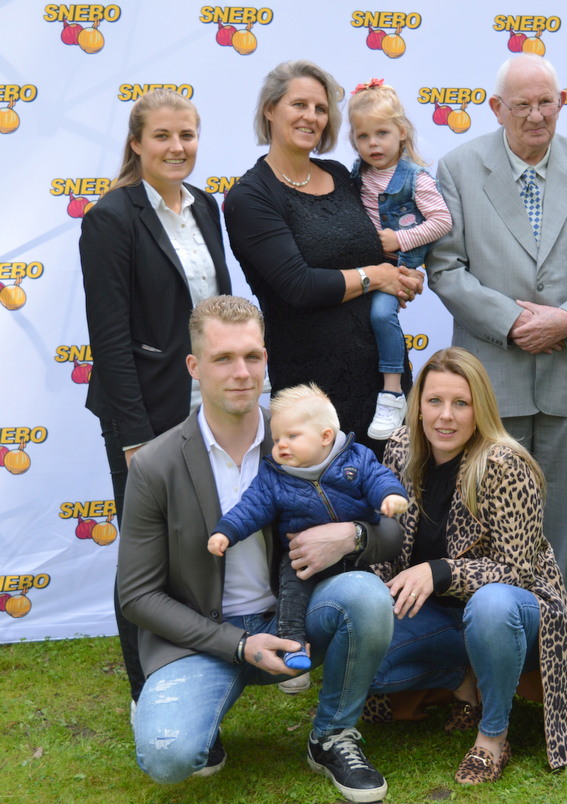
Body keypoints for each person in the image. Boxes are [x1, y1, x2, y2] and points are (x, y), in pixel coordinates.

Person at [118, 296, 399, 801]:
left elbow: (393, 533)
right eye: (223, 358)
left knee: (366, 595)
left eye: (252, 356)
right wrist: (238, 645)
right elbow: (136, 596)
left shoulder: (302, 436)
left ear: (266, 358)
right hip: (201, 638)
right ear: (194, 366)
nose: (242, 372)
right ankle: (197, 719)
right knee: (168, 756)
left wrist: (352, 536)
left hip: (295, 617)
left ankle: (332, 735)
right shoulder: (155, 465)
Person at [426, 54, 567, 628]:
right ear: (496, 108)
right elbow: (446, 268)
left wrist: (566, 320)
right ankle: (497, 645)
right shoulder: (458, 168)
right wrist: (514, 323)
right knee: (490, 530)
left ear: (561, 104)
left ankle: (560, 650)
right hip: (492, 385)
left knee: (563, 526)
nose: (536, 115)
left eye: (547, 103)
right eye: (522, 105)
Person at [367, 347, 567, 784]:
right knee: (362, 651)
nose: (445, 416)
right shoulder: (400, 448)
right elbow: (388, 544)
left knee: (490, 605)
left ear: (481, 409)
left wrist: (440, 571)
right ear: (418, 407)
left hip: (517, 612)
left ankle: (493, 736)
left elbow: (516, 572)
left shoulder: (506, 464)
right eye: (434, 401)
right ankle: (463, 679)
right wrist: (373, 602)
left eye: (461, 403)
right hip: (436, 613)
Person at [79, 88, 232, 706]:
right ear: (137, 143)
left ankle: (201, 678)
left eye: (186, 135)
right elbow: (109, 340)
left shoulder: (206, 205)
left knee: (200, 549)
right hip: (144, 412)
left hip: (208, 408)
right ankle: (148, 693)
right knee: (147, 561)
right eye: (163, 136)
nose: (176, 147)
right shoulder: (111, 218)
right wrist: (135, 437)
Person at [224, 60, 424, 451]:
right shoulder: (251, 197)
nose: (311, 117)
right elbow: (299, 286)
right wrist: (376, 277)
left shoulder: (341, 175)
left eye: (320, 108)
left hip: (385, 387)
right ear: (270, 109)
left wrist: (402, 276)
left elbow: (380, 244)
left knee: (395, 489)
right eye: (299, 104)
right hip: (312, 399)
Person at [208, 382, 408, 670]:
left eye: (292, 436)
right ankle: (293, 643)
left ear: (325, 436)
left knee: (370, 598)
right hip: (300, 558)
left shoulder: (356, 459)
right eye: (277, 439)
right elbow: (251, 507)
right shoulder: (274, 475)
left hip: (351, 555)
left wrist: (390, 496)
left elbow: (378, 479)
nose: (281, 445)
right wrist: (226, 531)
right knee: (292, 595)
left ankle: (370, 649)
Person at [347, 78, 453, 439]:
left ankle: (392, 393)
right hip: (363, 265)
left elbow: (441, 221)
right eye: (363, 136)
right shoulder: (356, 176)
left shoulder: (416, 180)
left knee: (381, 314)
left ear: (402, 132)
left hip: (398, 266)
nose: (373, 144)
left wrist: (399, 238)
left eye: (382, 133)